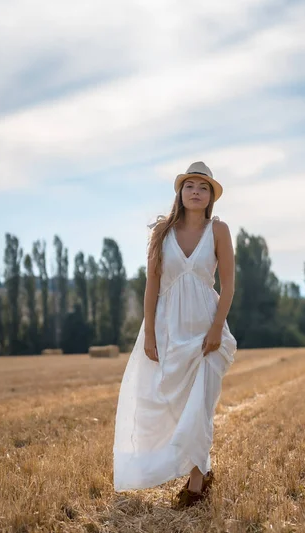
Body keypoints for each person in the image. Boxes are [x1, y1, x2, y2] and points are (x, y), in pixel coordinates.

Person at [113, 161, 237, 509]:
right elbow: (151, 285)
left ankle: (197, 483)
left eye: (203, 187)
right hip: (168, 329)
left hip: (205, 331)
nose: (196, 191)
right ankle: (201, 469)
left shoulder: (219, 230)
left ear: (211, 196)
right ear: (180, 193)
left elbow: (228, 285)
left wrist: (216, 328)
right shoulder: (161, 232)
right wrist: (149, 332)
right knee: (166, 403)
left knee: (200, 406)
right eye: (190, 185)